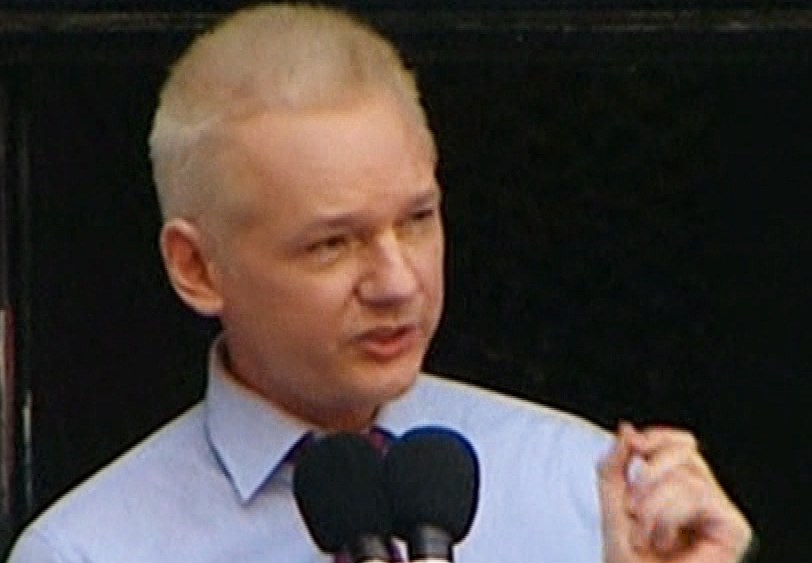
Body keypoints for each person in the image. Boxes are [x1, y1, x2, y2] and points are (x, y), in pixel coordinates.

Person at [8, 4, 753, 562]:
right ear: (197, 269)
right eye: (332, 244)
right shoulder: (91, 551)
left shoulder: (585, 490)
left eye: (418, 219)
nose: (398, 283)